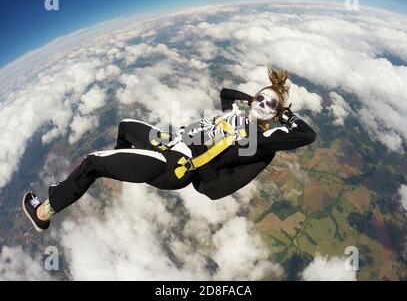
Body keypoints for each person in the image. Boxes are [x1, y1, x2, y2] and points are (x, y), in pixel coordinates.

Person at [22, 66, 316, 232]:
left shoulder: (259, 137)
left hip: (175, 166)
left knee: (92, 162)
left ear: (275, 114)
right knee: (125, 125)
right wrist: (254, 97)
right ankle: (123, 166)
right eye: (261, 99)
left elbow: (307, 135)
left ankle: (44, 212)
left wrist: (286, 115)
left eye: (270, 105)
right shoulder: (236, 115)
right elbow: (226, 93)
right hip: (171, 143)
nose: (262, 104)